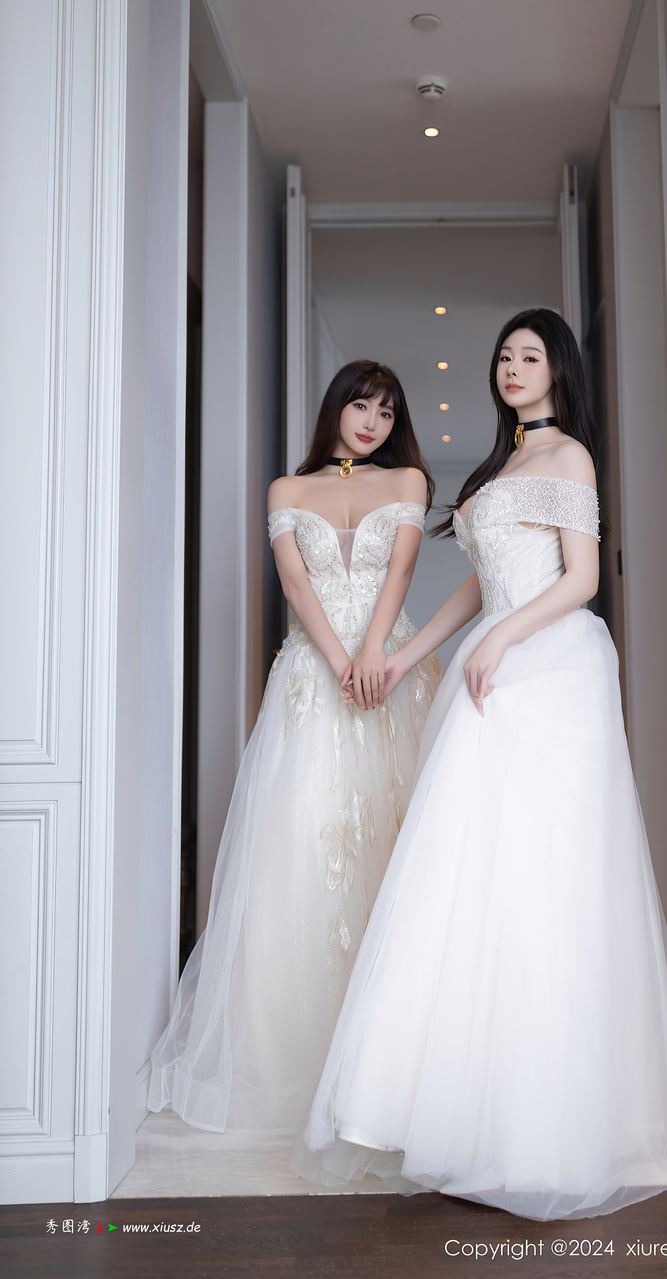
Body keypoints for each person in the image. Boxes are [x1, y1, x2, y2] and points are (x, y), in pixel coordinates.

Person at [291, 309, 667, 1219]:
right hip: (496, 664)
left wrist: (500, 640)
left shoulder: (569, 458)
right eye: (505, 356)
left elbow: (581, 581)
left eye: (530, 355)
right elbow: (482, 582)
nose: (512, 367)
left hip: (552, 673)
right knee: (472, 877)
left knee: (546, 880)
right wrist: (405, 656)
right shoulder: (497, 469)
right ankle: (461, 1109)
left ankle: (545, 1121)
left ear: (558, 370)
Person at [148, 360, 442, 1134]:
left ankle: (390, 1058)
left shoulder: (407, 480)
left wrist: (373, 653)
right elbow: (295, 583)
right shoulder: (288, 489)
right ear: (336, 408)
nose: (372, 421)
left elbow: (400, 570)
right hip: (315, 676)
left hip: (390, 667)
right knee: (299, 846)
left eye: (387, 410)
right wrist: (340, 660)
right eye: (361, 405)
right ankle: (295, 1052)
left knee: (398, 838)